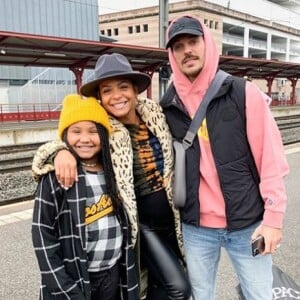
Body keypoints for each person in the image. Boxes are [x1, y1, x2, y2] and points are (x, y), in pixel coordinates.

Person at [31, 53, 191, 300]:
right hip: (142, 225)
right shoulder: (103, 128)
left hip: (174, 217)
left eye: (123, 87)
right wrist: (60, 152)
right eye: (107, 90)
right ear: (100, 98)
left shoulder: (155, 113)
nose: (117, 96)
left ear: (136, 90)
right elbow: (69, 136)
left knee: (163, 283)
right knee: (178, 287)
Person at [159, 15, 289, 300]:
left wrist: (273, 220)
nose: (187, 51)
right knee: (201, 295)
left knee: (259, 294)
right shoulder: (167, 106)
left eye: (193, 41)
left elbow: (271, 159)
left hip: (247, 223)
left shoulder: (243, 93)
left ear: (207, 43)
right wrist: (60, 151)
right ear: (171, 54)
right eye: (178, 46)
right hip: (196, 227)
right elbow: (122, 130)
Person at [31, 94, 139, 300]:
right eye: (76, 131)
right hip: (74, 276)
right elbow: (42, 236)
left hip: (113, 272)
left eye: (93, 131)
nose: (85, 139)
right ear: (64, 136)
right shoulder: (56, 176)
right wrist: (64, 288)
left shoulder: (116, 172)